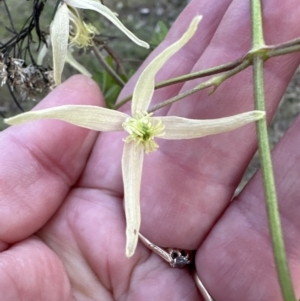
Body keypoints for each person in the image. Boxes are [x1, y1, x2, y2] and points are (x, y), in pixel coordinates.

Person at [1, 0, 300, 300]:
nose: (141, 130)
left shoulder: (141, 126)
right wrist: (35, 115)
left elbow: (199, 119)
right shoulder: (124, 132)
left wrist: (242, 116)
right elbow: (128, 188)